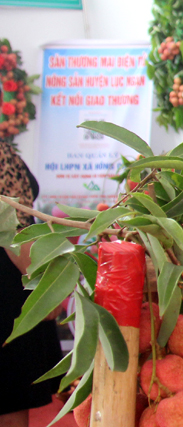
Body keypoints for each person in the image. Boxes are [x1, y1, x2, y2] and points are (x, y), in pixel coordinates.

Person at [0, 141, 63, 427]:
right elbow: (10, 228)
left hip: (12, 275)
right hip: (9, 281)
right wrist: (42, 283)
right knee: (9, 395)